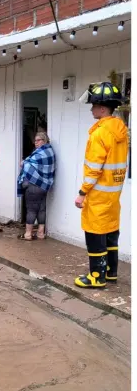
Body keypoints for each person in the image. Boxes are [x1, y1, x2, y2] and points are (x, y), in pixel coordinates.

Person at [73, 81, 129, 288]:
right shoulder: (121, 131)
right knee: (111, 232)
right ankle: (111, 272)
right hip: (113, 196)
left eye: (94, 105)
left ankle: (97, 276)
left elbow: (93, 168)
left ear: (103, 108)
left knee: (95, 233)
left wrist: (82, 192)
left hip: (97, 194)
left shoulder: (99, 134)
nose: (91, 109)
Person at [17, 128, 55, 241]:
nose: (36, 142)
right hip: (45, 186)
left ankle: (28, 234)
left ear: (45, 140)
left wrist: (24, 162)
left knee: (31, 209)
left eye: (38, 140)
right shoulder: (50, 151)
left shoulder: (42, 152)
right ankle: (40, 234)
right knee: (42, 209)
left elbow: (28, 164)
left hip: (34, 185)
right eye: (35, 140)